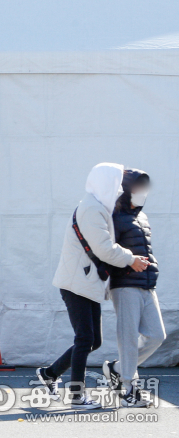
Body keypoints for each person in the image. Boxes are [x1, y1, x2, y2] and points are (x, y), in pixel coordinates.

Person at [37, 163, 149, 409]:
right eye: (117, 182)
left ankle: (50, 374)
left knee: (92, 340)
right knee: (85, 338)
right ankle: (77, 396)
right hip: (77, 282)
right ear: (106, 182)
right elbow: (104, 248)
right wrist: (132, 259)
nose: (120, 188)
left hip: (83, 281)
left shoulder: (95, 206)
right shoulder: (91, 209)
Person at [103, 169, 165, 408]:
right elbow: (107, 251)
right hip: (125, 284)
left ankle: (117, 368)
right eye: (139, 187)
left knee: (157, 336)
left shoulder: (142, 217)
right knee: (127, 338)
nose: (144, 192)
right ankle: (128, 388)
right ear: (128, 189)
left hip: (148, 284)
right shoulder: (114, 216)